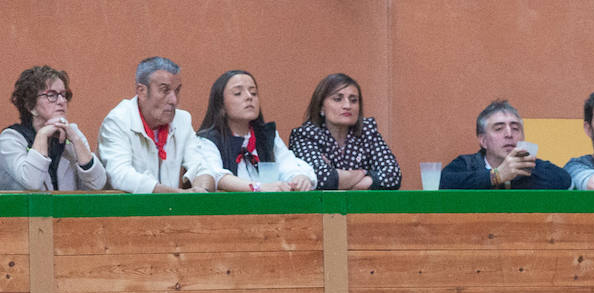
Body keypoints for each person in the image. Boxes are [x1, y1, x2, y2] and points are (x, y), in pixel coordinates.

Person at [187, 70, 315, 192]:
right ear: (221, 105)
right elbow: (216, 176)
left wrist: (298, 178)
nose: (249, 97)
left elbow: (288, 166)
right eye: (238, 93)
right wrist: (258, 187)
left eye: (253, 93)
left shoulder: (267, 136)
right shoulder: (208, 139)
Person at [98, 56, 212, 193]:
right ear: (142, 91)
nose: (174, 100)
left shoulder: (183, 120)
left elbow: (201, 166)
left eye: (177, 90)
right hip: (127, 211)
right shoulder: (118, 120)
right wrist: (177, 195)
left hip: (172, 210)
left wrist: (202, 190)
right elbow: (120, 175)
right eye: (165, 90)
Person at [0, 65, 106, 191]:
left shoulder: (72, 134)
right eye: (51, 95)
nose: (61, 101)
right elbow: (32, 183)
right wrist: (42, 135)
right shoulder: (10, 139)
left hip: (67, 210)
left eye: (63, 94)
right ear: (30, 105)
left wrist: (77, 140)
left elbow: (98, 184)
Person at [288, 73, 401, 190]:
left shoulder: (367, 131)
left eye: (353, 100)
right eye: (338, 99)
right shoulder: (306, 135)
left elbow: (393, 175)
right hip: (321, 207)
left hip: (364, 207)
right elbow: (320, 178)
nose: (347, 105)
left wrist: (342, 181)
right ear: (321, 107)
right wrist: (364, 173)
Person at [439, 99, 572, 190]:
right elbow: (443, 182)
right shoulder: (467, 164)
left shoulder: (532, 166)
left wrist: (520, 172)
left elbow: (564, 180)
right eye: (499, 128)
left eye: (515, 128)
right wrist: (496, 176)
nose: (509, 134)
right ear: (483, 141)